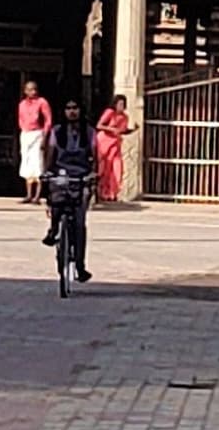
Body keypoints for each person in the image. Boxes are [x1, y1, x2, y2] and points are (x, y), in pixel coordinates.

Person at [38, 97, 98, 283]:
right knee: (56, 203)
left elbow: (95, 156)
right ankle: (54, 228)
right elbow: (50, 153)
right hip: (61, 174)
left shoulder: (89, 133)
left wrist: (94, 174)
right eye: (68, 108)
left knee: (79, 224)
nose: (72, 111)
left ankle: (80, 266)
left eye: (75, 108)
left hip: (81, 177)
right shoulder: (57, 131)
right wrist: (46, 173)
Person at [14, 78, 52, 203]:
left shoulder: (42, 102)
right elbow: (20, 119)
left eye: (35, 89)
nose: (33, 92)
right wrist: (23, 130)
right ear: (25, 91)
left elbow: (48, 120)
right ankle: (28, 194)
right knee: (26, 163)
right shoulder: (22, 104)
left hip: (37, 133)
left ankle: (37, 196)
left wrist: (45, 137)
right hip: (26, 134)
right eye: (30, 90)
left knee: (37, 163)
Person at [94, 93, 135, 205]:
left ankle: (112, 193)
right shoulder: (110, 113)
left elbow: (123, 130)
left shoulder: (125, 117)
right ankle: (102, 193)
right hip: (104, 142)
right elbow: (99, 125)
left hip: (115, 144)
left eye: (123, 104)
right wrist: (111, 129)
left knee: (116, 169)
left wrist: (131, 130)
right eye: (119, 104)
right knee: (103, 168)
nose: (121, 106)